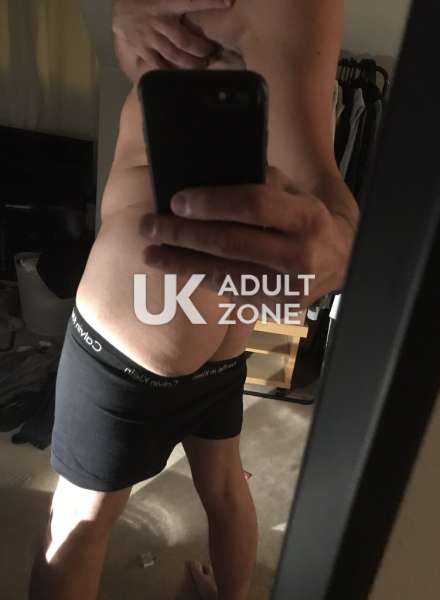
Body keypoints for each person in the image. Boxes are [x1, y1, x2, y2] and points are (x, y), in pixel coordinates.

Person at [29, 1, 358, 600]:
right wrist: (121, 15)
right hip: (221, 324)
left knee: (77, 521)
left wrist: (342, 239)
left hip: (140, 314)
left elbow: (318, 179)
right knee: (225, 486)